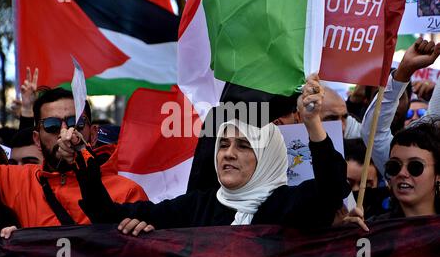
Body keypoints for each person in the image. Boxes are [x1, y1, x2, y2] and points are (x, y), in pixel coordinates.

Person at [76, 74, 350, 236]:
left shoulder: (287, 204)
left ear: (267, 157)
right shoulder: (197, 207)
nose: (228, 154)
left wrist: (313, 123)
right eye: (223, 144)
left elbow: (332, 188)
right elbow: (104, 212)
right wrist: (79, 157)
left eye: (243, 146)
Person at [0, 88, 148, 228]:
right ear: (37, 140)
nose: (65, 133)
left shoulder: (128, 192)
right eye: (52, 126)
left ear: (93, 135)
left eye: (76, 123)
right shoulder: (14, 180)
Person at [361, 37, 440, 176]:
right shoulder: (411, 148)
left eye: (415, 167)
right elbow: (374, 133)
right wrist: (404, 70)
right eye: (394, 166)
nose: (403, 174)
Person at [345, 122, 440, 231]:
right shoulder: (372, 230)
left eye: (415, 166)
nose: (401, 173)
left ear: (438, 175)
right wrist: (348, 236)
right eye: (394, 166)